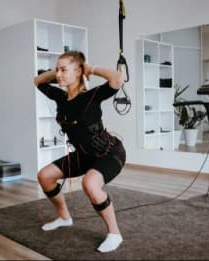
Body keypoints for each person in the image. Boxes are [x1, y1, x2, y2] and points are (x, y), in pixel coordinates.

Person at [33, 51, 126, 253]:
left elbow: (118, 78)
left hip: (108, 153)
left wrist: (90, 68)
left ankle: (115, 234)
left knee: (90, 184)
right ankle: (64, 217)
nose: (58, 74)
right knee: (45, 176)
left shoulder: (91, 96)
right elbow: (37, 81)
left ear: (78, 72)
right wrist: (58, 73)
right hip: (83, 155)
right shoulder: (60, 97)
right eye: (57, 69)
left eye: (64, 69)